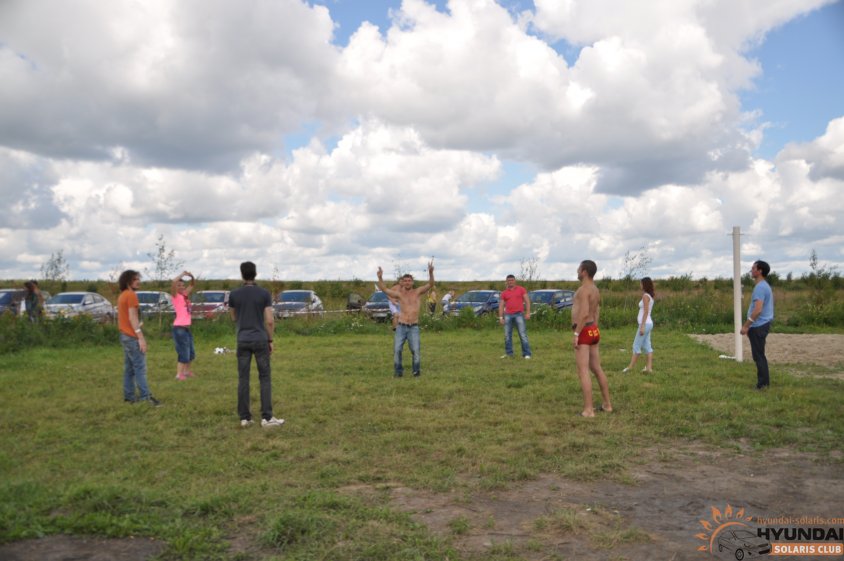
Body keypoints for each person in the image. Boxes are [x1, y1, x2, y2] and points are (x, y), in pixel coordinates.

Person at [228, 261, 284, 428]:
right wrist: (270, 340)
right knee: (264, 378)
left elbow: (233, 317)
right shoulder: (264, 293)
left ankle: (245, 418)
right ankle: (267, 417)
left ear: (242, 274)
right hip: (260, 339)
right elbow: (269, 320)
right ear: (255, 273)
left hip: (242, 339)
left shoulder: (234, 294)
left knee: (243, 378)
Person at [377, 260, 435, 377]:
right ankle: (398, 372)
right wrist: (380, 277)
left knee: (415, 350)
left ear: (412, 282)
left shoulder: (417, 292)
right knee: (397, 350)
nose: (407, 283)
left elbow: (430, 284)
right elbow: (385, 289)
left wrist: (430, 273)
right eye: (405, 281)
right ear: (402, 283)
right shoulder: (399, 294)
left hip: (414, 327)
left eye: (409, 281)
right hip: (401, 326)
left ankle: (416, 372)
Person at [571, 260, 612, 417]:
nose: (577, 271)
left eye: (579, 269)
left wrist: (576, 334)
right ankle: (607, 404)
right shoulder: (595, 289)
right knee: (597, 368)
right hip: (593, 329)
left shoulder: (583, 290)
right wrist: (595, 328)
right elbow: (596, 311)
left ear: (584, 271)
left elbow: (584, 313)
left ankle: (588, 410)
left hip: (584, 331)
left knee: (583, 371)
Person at [117, 270, 160, 406]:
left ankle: (129, 397)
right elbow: (132, 317)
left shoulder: (122, 295)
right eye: (135, 279)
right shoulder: (131, 295)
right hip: (131, 337)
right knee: (140, 368)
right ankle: (145, 397)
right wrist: (140, 337)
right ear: (127, 281)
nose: (138, 281)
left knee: (129, 369)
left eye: (138, 279)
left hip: (124, 335)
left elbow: (127, 318)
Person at [740, 260, 774, 390]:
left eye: (753, 268)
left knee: (759, 355)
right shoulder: (764, 286)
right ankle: (764, 383)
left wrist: (746, 326)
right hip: (761, 325)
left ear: (760, 271)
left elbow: (758, 310)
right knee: (759, 354)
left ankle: (762, 384)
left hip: (759, 325)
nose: (751, 270)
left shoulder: (760, 287)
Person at [623, 277, 655, 373]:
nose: (640, 285)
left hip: (645, 324)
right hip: (648, 323)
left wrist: (642, 326)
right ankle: (648, 368)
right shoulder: (650, 296)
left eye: (641, 283)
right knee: (647, 346)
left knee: (636, 346)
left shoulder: (645, 296)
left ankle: (630, 368)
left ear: (644, 284)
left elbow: (646, 312)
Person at [498, 274, 532, 359]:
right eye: (509, 280)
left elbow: (527, 301)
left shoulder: (521, 289)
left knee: (523, 335)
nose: (510, 282)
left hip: (519, 314)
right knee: (507, 335)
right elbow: (501, 305)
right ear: (506, 282)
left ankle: (526, 354)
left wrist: (528, 313)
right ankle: (509, 353)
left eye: (512, 280)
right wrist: (501, 317)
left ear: (515, 281)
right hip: (508, 315)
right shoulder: (504, 293)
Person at [171, 271, 196, 381]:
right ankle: (179, 374)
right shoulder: (175, 296)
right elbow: (173, 282)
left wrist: (191, 276)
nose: (181, 287)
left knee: (191, 352)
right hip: (179, 328)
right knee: (183, 351)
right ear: (175, 288)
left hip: (186, 328)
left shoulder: (184, 295)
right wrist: (182, 274)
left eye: (183, 285)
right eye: (179, 285)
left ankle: (186, 372)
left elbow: (192, 285)